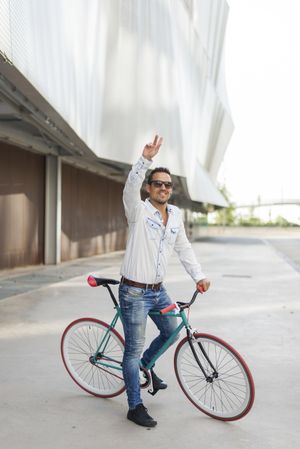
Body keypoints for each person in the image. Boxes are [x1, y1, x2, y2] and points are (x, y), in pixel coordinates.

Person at [119, 135, 210, 427]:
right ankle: (135, 405)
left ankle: (146, 366)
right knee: (132, 349)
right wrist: (145, 159)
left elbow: (183, 247)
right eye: (157, 183)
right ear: (149, 187)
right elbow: (131, 186)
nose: (162, 188)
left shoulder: (174, 215)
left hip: (158, 292)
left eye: (167, 184)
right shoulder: (137, 210)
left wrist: (199, 276)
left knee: (172, 329)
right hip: (134, 291)